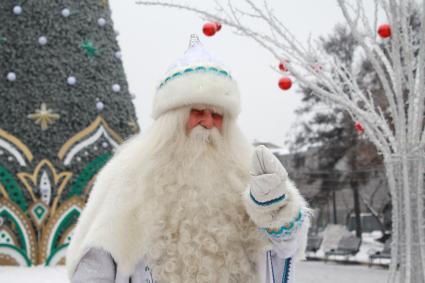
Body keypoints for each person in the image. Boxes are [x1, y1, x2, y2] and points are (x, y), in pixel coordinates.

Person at [66, 35, 310, 283]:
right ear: (173, 117)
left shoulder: (248, 172)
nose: (208, 122)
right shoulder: (129, 174)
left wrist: (274, 210)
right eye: (197, 112)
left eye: (217, 114)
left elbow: (288, 248)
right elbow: (95, 266)